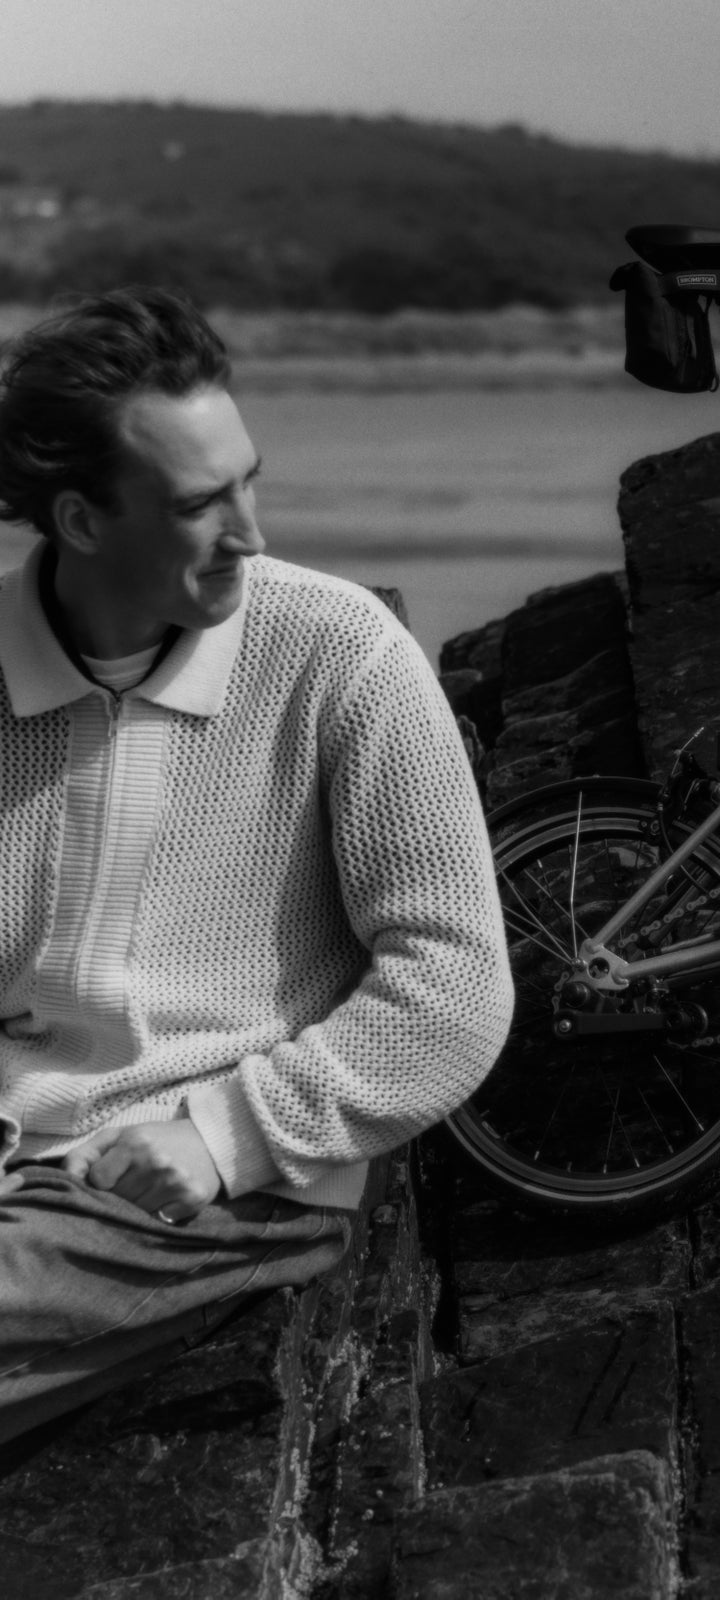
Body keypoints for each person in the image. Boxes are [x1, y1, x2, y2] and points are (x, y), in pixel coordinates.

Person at [0, 287, 513, 1445]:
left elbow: (456, 990)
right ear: (82, 521)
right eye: (199, 504)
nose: (251, 532)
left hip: (210, 1178)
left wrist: (227, 1133)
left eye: (249, 481)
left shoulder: (342, 657)